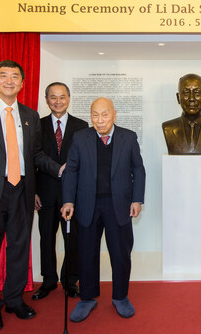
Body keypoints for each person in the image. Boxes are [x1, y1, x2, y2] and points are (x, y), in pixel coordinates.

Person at [0, 60, 63, 331]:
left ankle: (15, 300)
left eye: (15, 76)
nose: (9, 81)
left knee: (19, 249)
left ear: (22, 83)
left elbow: (37, 155)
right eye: (3, 76)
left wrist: (60, 168)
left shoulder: (29, 115)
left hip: (22, 192)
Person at [61, 97, 145, 322]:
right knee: (86, 253)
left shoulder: (128, 137)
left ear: (114, 114)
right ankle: (87, 298)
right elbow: (71, 171)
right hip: (88, 204)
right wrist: (68, 201)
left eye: (104, 114)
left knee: (120, 253)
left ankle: (120, 297)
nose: (100, 120)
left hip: (119, 205)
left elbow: (138, 169)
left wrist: (137, 200)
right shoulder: (81, 138)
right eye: (95, 115)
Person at [32, 82, 88, 300]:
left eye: (62, 97)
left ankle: (70, 280)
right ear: (47, 100)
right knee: (46, 237)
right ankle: (48, 281)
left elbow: (85, 160)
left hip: (72, 194)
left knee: (72, 238)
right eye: (53, 97)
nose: (58, 101)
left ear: (69, 98)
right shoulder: (38, 125)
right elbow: (33, 157)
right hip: (45, 191)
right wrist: (34, 191)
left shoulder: (82, 126)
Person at [162, 73, 201, 154]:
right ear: (178, 98)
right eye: (186, 93)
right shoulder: (168, 128)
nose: (191, 98)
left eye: (197, 93)